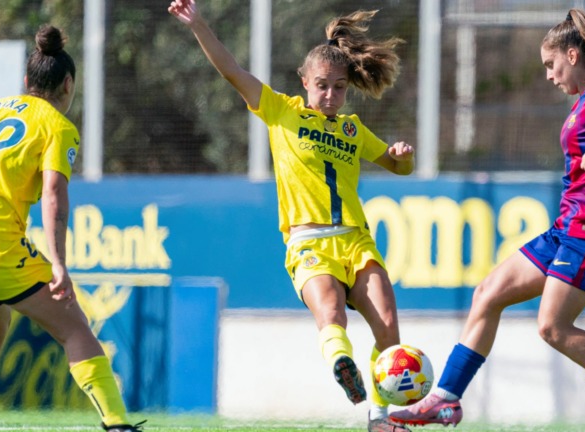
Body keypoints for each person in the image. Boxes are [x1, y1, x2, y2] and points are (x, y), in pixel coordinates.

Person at [390, 8, 585, 432]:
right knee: (487, 293)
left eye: (551, 65)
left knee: (552, 327)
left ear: (572, 55)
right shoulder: (584, 105)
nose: (550, 76)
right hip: (566, 229)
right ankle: (445, 400)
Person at [168, 1, 415, 431]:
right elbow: (231, 71)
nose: (330, 95)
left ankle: (380, 417)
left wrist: (400, 156)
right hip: (309, 242)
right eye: (322, 85)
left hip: (356, 241)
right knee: (331, 315)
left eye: (339, 87)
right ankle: (344, 367)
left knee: (389, 326)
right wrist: (199, 25)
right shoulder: (281, 111)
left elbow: (399, 168)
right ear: (304, 82)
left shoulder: (353, 130)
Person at [0, 25, 144, 432]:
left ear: (27, 82)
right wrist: (59, 264)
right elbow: (54, 196)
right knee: (74, 326)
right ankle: (118, 425)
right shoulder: (57, 126)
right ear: (68, 84)